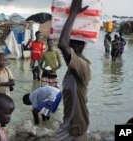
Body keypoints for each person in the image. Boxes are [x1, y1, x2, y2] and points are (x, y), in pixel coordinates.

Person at [56, 0, 91, 140]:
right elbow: (64, 46)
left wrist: (73, 13)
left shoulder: (82, 66)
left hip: (75, 129)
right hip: (70, 126)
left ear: (74, 48)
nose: (67, 49)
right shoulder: (73, 67)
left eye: (70, 43)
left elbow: (62, 45)